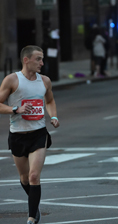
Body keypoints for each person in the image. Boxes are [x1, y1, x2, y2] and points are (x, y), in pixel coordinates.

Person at [0, 45, 60, 224]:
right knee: (24, 178)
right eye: (38, 59)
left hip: (38, 134)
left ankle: (32, 217)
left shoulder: (45, 81)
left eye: (42, 59)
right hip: (18, 135)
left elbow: (49, 100)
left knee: (34, 176)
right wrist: (15, 109)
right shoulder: (11, 80)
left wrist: (54, 116)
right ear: (26, 60)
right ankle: (35, 204)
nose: (42, 63)